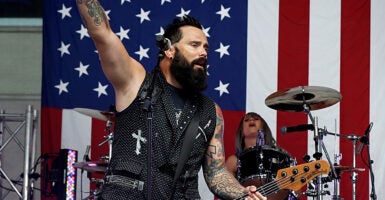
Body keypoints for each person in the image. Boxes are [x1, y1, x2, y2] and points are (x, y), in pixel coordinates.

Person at [75, 1, 266, 200]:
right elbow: (102, 33)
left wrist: (242, 194)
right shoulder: (136, 82)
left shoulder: (210, 111)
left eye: (206, 47)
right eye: (194, 45)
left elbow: (216, 173)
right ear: (169, 50)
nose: (203, 52)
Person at [226, 112, 295, 200]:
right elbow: (227, 190)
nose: (251, 120)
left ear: (263, 128)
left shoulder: (280, 156)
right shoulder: (233, 160)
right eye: (246, 120)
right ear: (242, 132)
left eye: (256, 119)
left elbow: (296, 191)